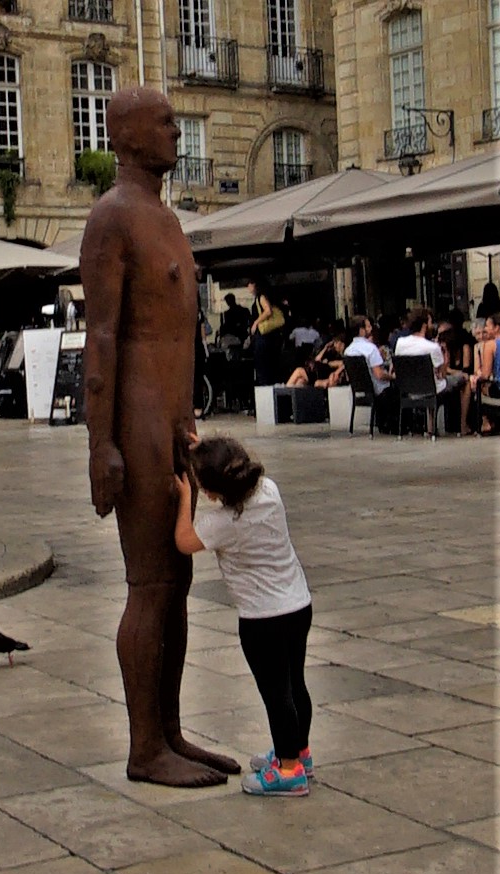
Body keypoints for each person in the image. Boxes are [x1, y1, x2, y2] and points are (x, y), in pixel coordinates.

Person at [80, 86, 239, 788]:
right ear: (128, 135)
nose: (178, 133)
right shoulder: (112, 218)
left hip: (172, 424)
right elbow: (102, 337)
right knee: (149, 583)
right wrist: (100, 445)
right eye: (166, 122)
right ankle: (145, 747)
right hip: (137, 426)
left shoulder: (163, 218)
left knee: (176, 578)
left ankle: (169, 731)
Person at [174, 434, 314, 797]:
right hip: (298, 605)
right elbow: (231, 471)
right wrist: (207, 452)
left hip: (262, 620)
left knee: (276, 694)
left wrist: (185, 496)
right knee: (295, 684)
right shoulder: (269, 490)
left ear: (210, 492)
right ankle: (300, 752)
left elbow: (183, 542)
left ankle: (288, 771)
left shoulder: (222, 524)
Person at [344, 315, 396, 432]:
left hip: (360, 388)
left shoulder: (348, 351)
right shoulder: (370, 348)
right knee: (396, 388)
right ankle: (395, 426)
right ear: (361, 330)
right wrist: (392, 376)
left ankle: (382, 424)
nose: (371, 328)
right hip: (377, 390)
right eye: (368, 326)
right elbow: (379, 375)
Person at [248, 277, 284, 385]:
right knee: (271, 365)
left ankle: (266, 386)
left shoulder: (261, 297)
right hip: (272, 336)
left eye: (249, 284)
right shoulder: (269, 296)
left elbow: (268, 310)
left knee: (263, 365)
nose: (248, 287)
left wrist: (256, 322)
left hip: (264, 335)